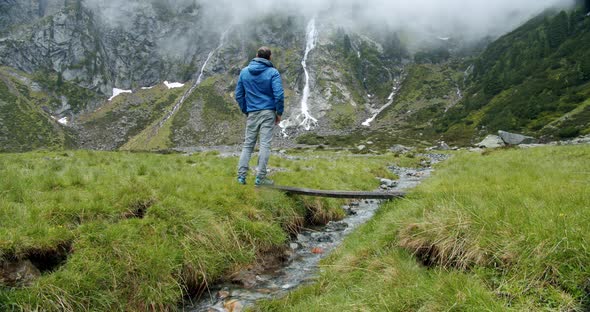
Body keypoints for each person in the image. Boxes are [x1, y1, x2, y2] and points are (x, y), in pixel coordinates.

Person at [235, 46, 284, 186]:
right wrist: (279, 113)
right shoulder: (273, 72)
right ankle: (260, 178)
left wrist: (246, 110)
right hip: (268, 112)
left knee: (248, 145)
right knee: (264, 145)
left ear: (256, 55)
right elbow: (279, 95)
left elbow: (239, 95)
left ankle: (241, 177)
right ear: (269, 57)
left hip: (252, 112)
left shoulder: (244, 72)